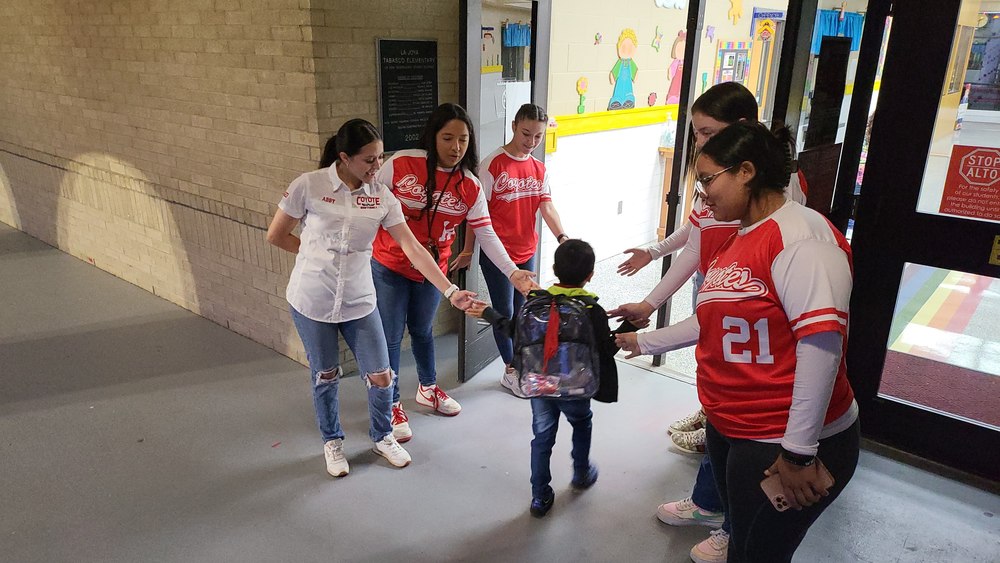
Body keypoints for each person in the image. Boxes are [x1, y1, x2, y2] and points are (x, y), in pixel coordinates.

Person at [616, 121, 860, 563]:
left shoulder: (802, 238)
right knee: (743, 548)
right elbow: (711, 321)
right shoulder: (737, 237)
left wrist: (799, 453)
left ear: (746, 171)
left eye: (708, 179)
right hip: (736, 432)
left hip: (783, 443)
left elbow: (821, 345)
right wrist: (643, 342)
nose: (703, 194)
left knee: (760, 553)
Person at [266, 119, 479, 477]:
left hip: (359, 300)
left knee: (381, 375)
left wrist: (450, 290)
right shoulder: (310, 185)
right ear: (344, 157)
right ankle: (333, 443)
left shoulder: (380, 196)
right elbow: (277, 235)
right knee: (326, 375)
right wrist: (314, 255)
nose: (377, 167)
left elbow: (411, 246)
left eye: (380, 159)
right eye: (369, 160)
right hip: (312, 298)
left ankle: (382, 436)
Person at [371, 103, 535, 443]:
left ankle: (428, 388)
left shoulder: (470, 185)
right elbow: (370, 203)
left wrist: (513, 272)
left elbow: (486, 234)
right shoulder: (401, 163)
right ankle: (391, 403)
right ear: (433, 137)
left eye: (462, 139)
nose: (455, 147)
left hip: (433, 272)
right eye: (447, 138)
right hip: (389, 265)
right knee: (389, 336)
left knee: (422, 330)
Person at [467, 239, 632, 517]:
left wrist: (487, 312)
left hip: (540, 386)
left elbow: (512, 332)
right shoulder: (592, 310)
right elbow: (607, 349)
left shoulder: (535, 303)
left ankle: (540, 496)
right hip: (576, 387)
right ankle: (581, 472)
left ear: (554, 269)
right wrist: (630, 326)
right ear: (590, 275)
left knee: (542, 439)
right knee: (582, 424)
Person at [451, 103, 569, 396]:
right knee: (503, 312)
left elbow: (547, 206)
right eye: (526, 133)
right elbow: (475, 213)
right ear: (514, 125)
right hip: (498, 256)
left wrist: (563, 238)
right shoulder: (492, 165)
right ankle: (511, 371)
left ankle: (525, 366)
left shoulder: (538, 168)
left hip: (526, 250)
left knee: (524, 314)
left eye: (538, 137)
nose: (531, 142)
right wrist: (468, 250)